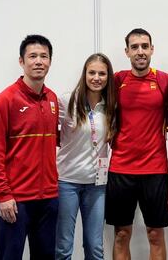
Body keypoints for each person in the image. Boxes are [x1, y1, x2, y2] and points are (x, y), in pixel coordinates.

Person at [0, 34, 58, 260]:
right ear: (21, 61)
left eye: (44, 56)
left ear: (50, 61)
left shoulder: (53, 99)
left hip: (48, 198)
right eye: (33, 56)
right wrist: (3, 194)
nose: (39, 61)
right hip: (15, 201)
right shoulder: (5, 100)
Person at [105, 28, 168, 260]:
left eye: (145, 46)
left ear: (152, 49)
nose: (140, 51)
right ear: (127, 52)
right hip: (120, 169)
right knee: (122, 234)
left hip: (154, 170)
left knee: (155, 234)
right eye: (135, 47)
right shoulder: (117, 80)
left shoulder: (165, 80)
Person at [55, 53, 116, 259]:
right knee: (63, 246)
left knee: (95, 246)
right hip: (67, 182)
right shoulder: (66, 101)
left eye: (102, 73)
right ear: (85, 74)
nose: (96, 77)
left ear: (108, 77)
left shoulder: (110, 106)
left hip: (97, 185)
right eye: (92, 72)